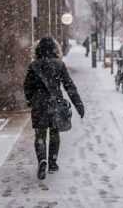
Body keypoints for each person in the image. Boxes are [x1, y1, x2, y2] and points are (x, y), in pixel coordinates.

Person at [24, 37, 84, 180]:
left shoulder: (34, 66)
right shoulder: (59, 65)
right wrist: (79, 105)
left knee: (40, 135)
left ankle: (42, 160)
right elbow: (69, 87)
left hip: (39, 105)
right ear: (54, 49)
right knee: (54, 134)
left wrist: (30, 101)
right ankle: (52, 162)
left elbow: (27, 86)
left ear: (38, 50)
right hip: (55, 104)